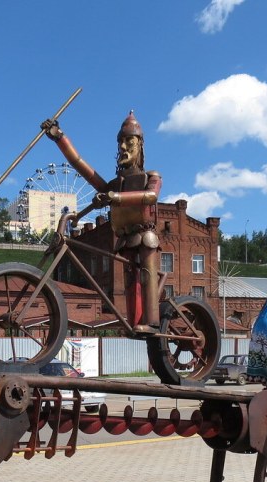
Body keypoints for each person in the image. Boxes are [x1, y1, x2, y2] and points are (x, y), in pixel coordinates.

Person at [41, 112, 162, 333]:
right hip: (125, 238)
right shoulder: (115, 184)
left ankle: (153, 322)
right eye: (121, 143)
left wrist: (116, 198)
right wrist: (60, 137)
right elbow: (80, 165)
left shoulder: (151, 176)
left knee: (146, 275)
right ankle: (135, 323)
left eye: (129, 142)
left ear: (140, 145)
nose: (124, 147)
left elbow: (151, 196)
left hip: (146, 237)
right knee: (129, 282)